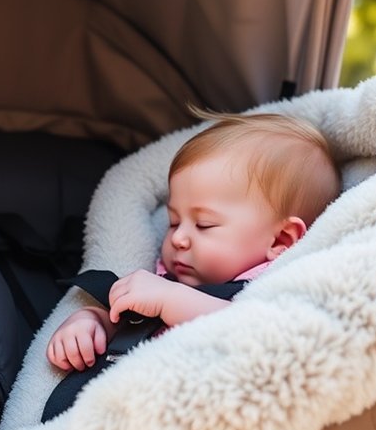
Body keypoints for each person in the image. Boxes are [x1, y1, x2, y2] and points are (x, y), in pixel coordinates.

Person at [46, 110, 341, 372]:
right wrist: (92, 323)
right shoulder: (166, 278)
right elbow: (131, 320)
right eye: (174, 221)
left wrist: (171, 300)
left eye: (204, 225)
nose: (178, 238)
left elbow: (262, 334)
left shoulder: (276, 290)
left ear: (280, 239)